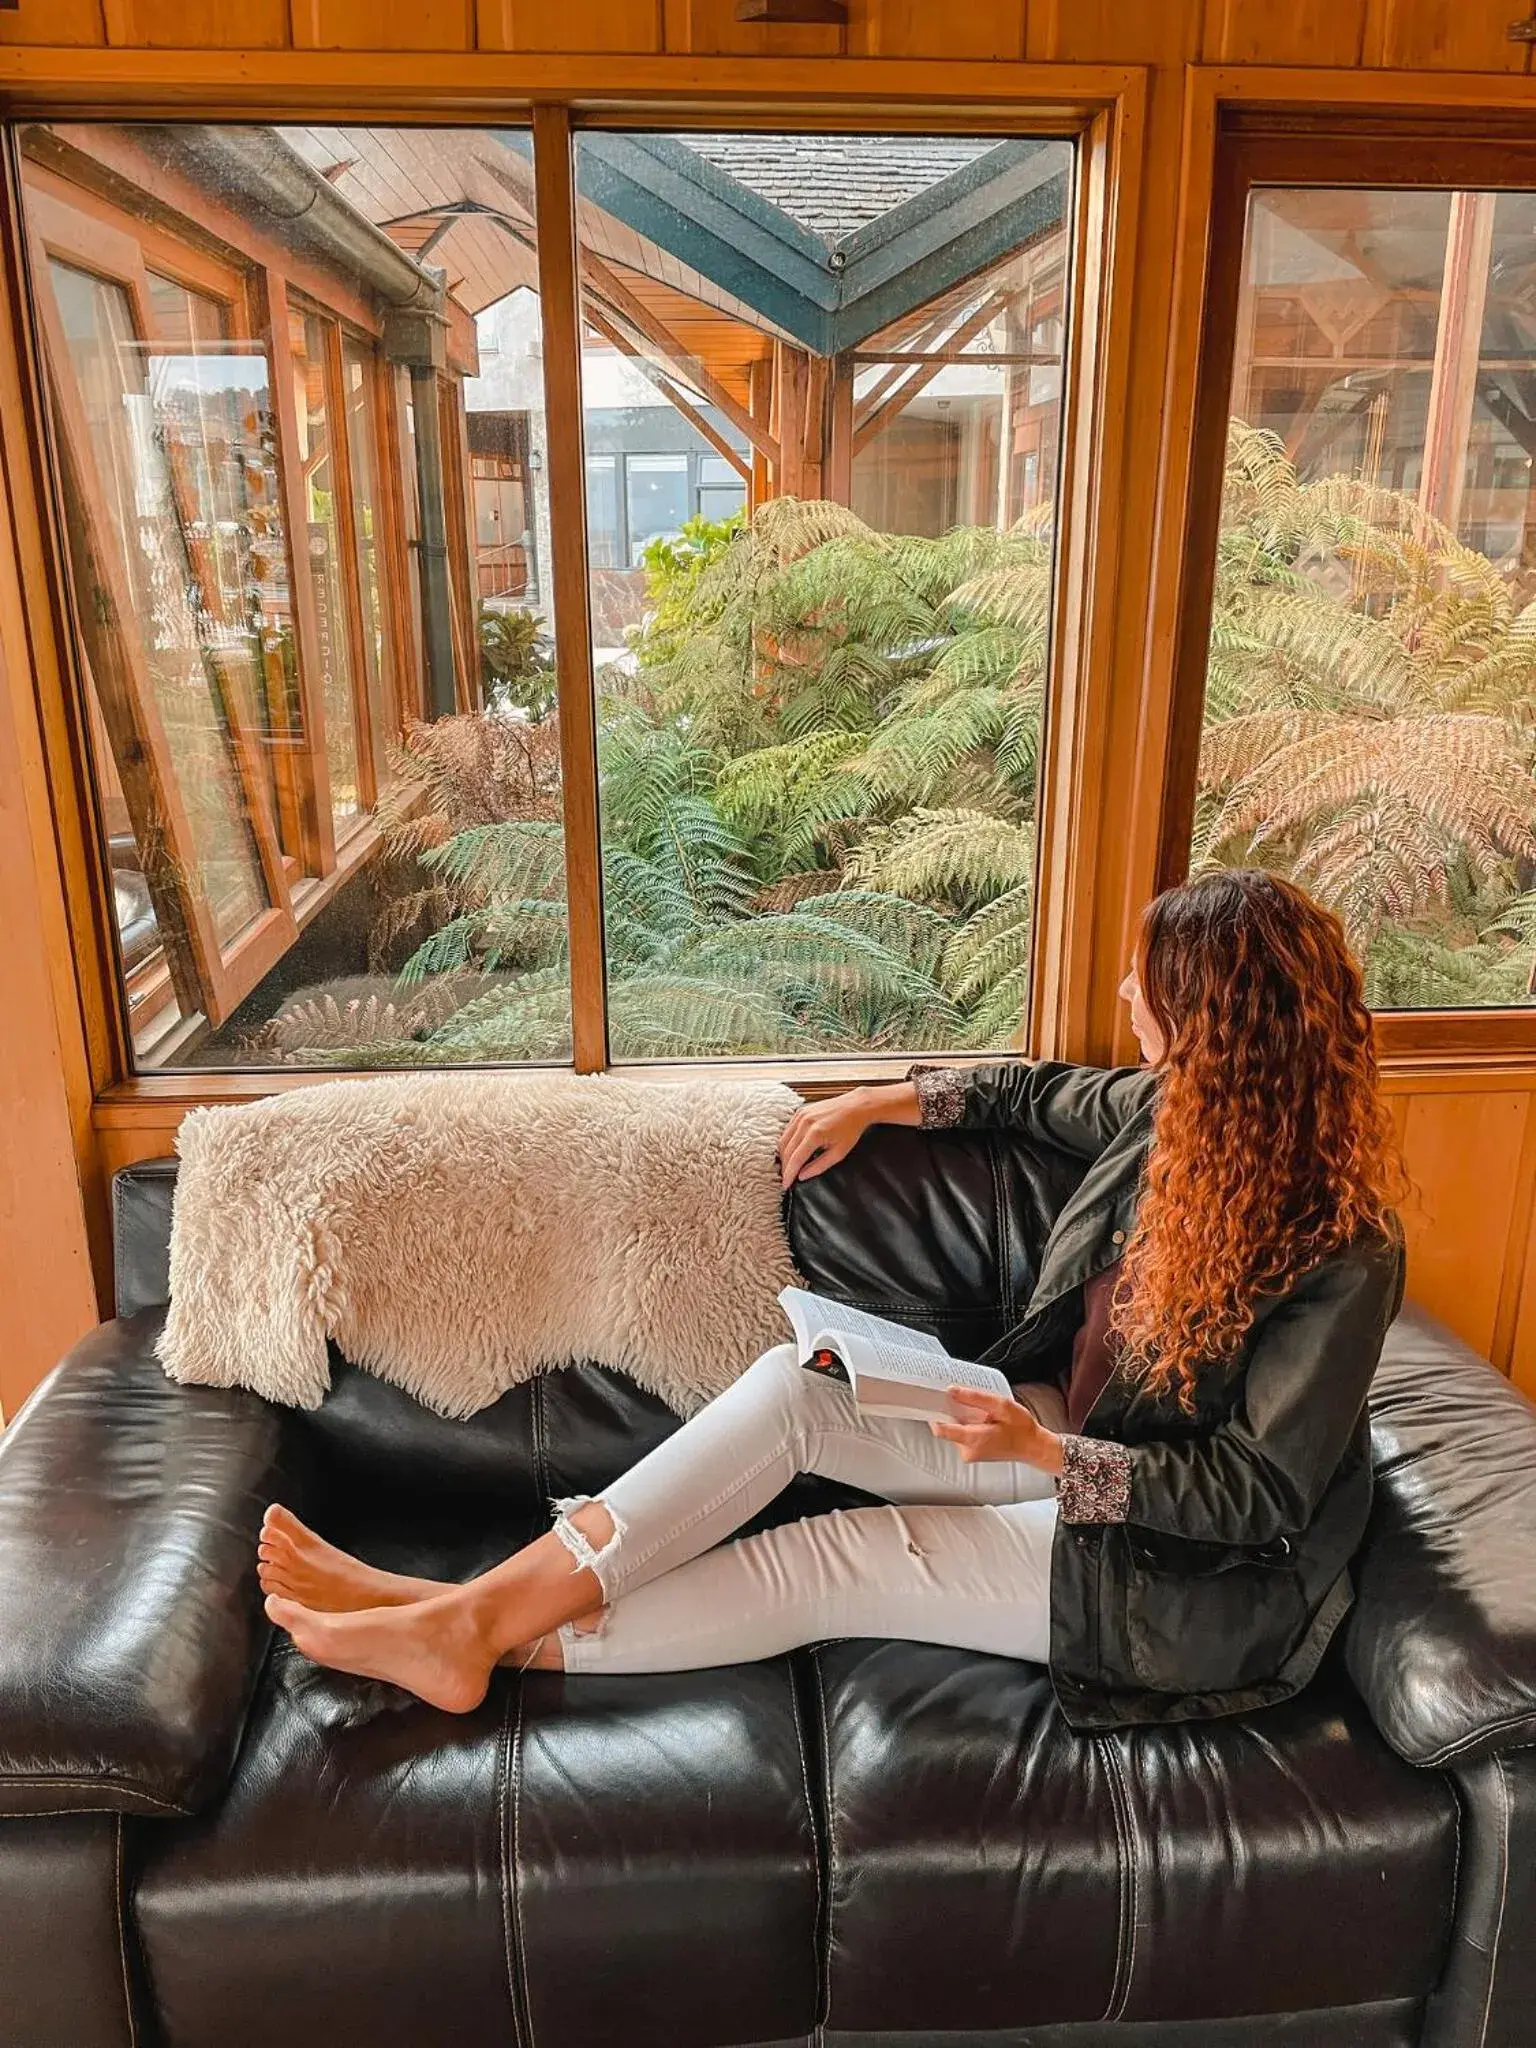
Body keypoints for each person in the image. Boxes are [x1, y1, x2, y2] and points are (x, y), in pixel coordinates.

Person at [259, 869, 1406, 1730]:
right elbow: (1030, 1090)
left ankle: (467, 1626)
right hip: (1059, 1430)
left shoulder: (1340, 1249)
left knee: (833, 1559)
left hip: (1174, 1572)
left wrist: (1055, 1460)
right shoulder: (1174, 1113)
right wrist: (876, 1099)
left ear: (1218, 1028)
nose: (1121, 992)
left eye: (1145, 984)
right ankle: (462, 1610)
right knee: (792, 1388)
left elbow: (1259, 1495)